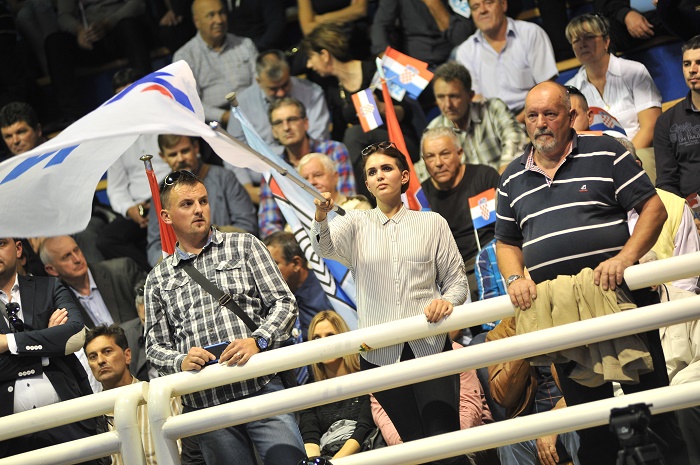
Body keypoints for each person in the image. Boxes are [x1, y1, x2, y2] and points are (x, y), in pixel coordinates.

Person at [494, 81, 688, 465]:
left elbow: (653, 209)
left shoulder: (606, 151)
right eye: (532, 115)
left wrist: (626, 258)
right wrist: (516, 278)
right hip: (561, 313)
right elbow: (506, 242)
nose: (541, 123)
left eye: (550, 114)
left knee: (654, 416)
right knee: (592, 429)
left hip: (623, 298)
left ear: (570, 116)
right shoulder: (511, 177)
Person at [311, 141, 469, 465]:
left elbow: (457, 282)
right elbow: (323, 248)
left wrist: (446, 301)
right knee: (414, 448)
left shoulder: (433, 223)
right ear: (367, 184)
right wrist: (321, 217)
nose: (379, 175)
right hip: (379, 356)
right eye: (372, 172)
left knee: (446, 445)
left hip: (431, 346)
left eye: (386, 168)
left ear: (404, 176)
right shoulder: (353, 223)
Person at [145, 170, 305, 465]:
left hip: (260, 384)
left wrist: (258, 340)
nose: (198, 209)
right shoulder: (157, 278)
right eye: (187, 204)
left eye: (203, 201)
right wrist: (180, 361)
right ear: (166, 217)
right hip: (206, 403)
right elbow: (154, 348)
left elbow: (284, 303)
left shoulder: (245, 245)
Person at [0, 237, 101, 462]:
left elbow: (75, 335)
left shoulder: (49, 287)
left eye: (0, 243)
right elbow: (60, 341)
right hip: (9, 439)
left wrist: (8, 343)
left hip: (69, 423)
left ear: (18, 249)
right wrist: (48, 344)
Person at [301, 22, 422, 187]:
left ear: (324, 55)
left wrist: (382, 108)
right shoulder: (333, 89)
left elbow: (406, 112)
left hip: (397, 140)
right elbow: (338, 131)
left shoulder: (375, 70)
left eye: (310, 57)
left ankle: (355, 193)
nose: (309, 65)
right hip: (367, 155)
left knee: (354, 134)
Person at [226, 49, 331, 204]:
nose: (281, 93)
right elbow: (233, 149)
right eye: (273, 89)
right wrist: (247, 188)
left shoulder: (312, 93)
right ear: (258, 81)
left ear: (289, 73)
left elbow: (316, 140)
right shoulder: (241, 104)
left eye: (285, 85)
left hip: (308, 176)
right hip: (261, 183)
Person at [146, 134, 258, 266]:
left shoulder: (224, 178)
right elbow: (155, 247)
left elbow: (247, 227)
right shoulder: (161, 192)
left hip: (229, 258)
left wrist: (207, 241)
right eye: (173, 154)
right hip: (184, 267)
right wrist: (177, 262)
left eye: (185, 151)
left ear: (196, 147)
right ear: (163, 157)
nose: (180, 159)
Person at [100, 69, 172, 271]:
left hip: (168, 195)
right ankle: (153, 275)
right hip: (141, 207)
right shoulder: (115, 139)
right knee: (106, 239)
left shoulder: (167, 121)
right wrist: (130, 209)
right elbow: (116, 189)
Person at [420, 127, 500, 303]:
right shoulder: (421, 197)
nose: (438, 163)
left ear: (460, 153)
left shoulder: (484, 177)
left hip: (489, 262)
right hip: (448, 276)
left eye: (445, 154)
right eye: (430, 157)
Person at [486, 318, 581, 465]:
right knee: (509, 439)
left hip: (568, 411)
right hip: (529, 424)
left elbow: (586, 388)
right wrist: (522, 336)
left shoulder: (564, 316)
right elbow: (503, 398)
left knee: (579, 426)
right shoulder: (501, 334)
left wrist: (552, 422)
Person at [84, 324, 183, 465]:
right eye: (93, 357)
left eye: (107, 351)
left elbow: (182, 453)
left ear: (127, 355)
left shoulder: (161, 398)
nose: (100, 361)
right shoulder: (91, 415)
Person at [258, 97, 356, 238]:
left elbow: (348, 200)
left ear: (305, 123)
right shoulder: (273, 168)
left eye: (292, 119)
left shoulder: (333, 151)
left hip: (339, 231)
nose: (286, 127)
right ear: (274, 131)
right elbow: (268, 222)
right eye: (279, 123)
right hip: (297, 239)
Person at [414, 61, 526, 183]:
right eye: (441, 97)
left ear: (470, 95)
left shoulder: (493, 109)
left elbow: (515, 140)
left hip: (506, 182)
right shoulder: (433, 131)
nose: (447, 105)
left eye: (454, 96)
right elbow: (425, 173)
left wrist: (500, 183)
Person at [44, 0, 152, 122]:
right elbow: (64, 16)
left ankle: (148, 95)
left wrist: (108, 23)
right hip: (91, 38)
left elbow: (138, 3)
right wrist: (79, 30)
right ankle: (72, 117)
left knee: (129, 26)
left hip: (120, 27)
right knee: (54, 42)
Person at [564, 14, 661, 149]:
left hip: (640, 153)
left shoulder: (635, 71)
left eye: (589, 37)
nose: (582, 44)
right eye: (576, 40)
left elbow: (650, 126)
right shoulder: (570, 90)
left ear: (606, 41)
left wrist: (626, 158)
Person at [455, 0, 557, 123]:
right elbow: (475, 100)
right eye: (475, 7)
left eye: (488, 3)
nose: (482, 10)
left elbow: (546, 89)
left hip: (534, 116)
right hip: (493, 123)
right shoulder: (465, 51)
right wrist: (500, 127)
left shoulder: (531, 33)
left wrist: (514, 123)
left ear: (503, 4)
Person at [299, 311, 375, 460]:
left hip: (366, 453)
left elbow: (364, 428)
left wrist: (335, 463)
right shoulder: (310, 390)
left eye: (330, 336)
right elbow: (310, 438)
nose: (323, 343)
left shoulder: (365, 376)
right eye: (317, 338)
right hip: (328, 455)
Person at [173, 0, 258, 124]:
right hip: (216, 123)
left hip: (253, 111)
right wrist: (225, 116)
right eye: (211, 15)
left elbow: (260, 84)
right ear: (197, 21)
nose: (219, 20)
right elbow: (190, 103)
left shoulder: (245, 45)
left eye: (222, 13)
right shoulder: (185, 57)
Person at [40, 235, 145, 327]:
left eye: (76, 250)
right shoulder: (58, 305)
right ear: (52, 270)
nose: (77, 259)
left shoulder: (123, 271)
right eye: (67, 256)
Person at [654, 35, 700, 200]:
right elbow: (666, 182)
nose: (692, 70)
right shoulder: (667, 121)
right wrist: (683, 211)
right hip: (691, 210)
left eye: (699, 62)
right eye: (687, 64)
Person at [263, 231, 333, 338]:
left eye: (273, 265)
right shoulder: (268, 300)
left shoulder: (328, 293)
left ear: (296, 263)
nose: (265, 273)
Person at [370, 0, 475, 67]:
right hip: (413, 60)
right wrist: (387, 57)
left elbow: (460, 38)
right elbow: (380, 25)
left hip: (452, 57)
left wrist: (434, 4)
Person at [298, 152, 371, 212]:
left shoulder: (357, 207)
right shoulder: (300, 212)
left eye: (317, 175)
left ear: (335, 177)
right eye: (305, 179)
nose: (311, 182)